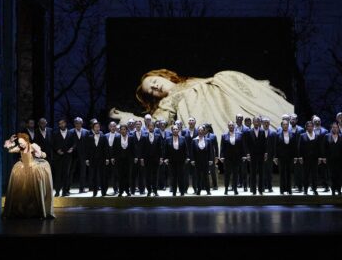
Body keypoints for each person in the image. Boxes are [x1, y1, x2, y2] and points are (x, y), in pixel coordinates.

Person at [114, 69, 293, 143]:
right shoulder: (167, 101)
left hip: (234, 101)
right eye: (151, 91)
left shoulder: (195, 81)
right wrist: (129, 118)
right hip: (215, 118)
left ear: (163, 75)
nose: (155, 87)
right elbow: (157, 123)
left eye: (154, 81)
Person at [2, 133, 55, 219]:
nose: (20, 145)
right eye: (19, 143)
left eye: (22, 143)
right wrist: (10, 141)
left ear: (26, 141)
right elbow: (10, 150)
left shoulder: (33, 146)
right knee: (22, 191)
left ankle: (37, 211)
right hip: (23, 169)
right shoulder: (19, 148)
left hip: (33, 169)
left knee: (33, 190)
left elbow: (44, 155)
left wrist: (39, 154)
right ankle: (22, 210)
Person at [220, 121, 244, 195]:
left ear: (234, 126)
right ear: (228, 126)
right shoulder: (224, 135)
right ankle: (226, 189)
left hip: (236, 158)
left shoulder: (240, 134)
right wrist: (221, 156)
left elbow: (242, 146)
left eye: (232, 125)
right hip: (227, 158)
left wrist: (243, 155)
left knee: (235, 174)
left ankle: (235, 189)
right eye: (229, 125)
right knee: (227, 174)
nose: (231, 126)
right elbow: (222, 147)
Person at [52, 118, 74, 197]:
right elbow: (53, 144)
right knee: (58, 175)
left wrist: (72, 148)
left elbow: (74, 143)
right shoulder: (55, 133)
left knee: (66, 174)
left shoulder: (71, 133)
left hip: (68, 157)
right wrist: (57, 150)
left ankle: (65, 191)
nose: (61, 125)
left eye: (63, 123)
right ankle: (57, 191)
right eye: (60, 124)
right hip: (58, 157)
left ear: (65, 123)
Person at [164, 125, 188, 196]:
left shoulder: (183, 138)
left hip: (181, 161)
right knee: (173, 177)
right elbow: (165, 150)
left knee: (181, 177)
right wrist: (165, 158)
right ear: (172, 131)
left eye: (176, 129)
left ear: (178, 130)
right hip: (171, 161)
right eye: (174, 129)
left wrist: (186, 158)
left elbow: (185, 150)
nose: (175, 130)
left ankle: (182, 192)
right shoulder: (168, 139)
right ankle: (174, 192)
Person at [113, 124, 136, 196]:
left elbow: (133, 148)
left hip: (128, 160)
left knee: (128, 175)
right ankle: (120, 191)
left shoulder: (131, 138)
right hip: (119, 160)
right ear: (120, 130)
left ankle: (127, 191)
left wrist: (135, 157)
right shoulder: (117, 138)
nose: (123, 131)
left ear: (127, 130)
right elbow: (114, 149)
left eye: (124, 129)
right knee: (120, 176)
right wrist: (113, 157)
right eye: (121, 129)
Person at [274, 119, 297, 194]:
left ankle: (289, 189)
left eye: (286, 124)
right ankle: (282, 190)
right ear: (281, 126)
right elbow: (276, 146)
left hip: (290, 157)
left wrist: (295, 156)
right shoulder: (278, 134)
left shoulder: (292, 134)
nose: (285, 126)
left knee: (289, 173)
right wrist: (275, 157)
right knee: (282, 173)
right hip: (281, 157)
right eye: (284, 124)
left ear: (288, 125)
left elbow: (294, 146)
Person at [298, 120, 320, 195]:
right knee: (306, 175)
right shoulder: (302, 135)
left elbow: (319, 147)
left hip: (314, 158)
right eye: (308, 126)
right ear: (306, 127)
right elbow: (300, 147)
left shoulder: (317, 136)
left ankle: (314, 189)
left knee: (314, 175)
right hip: (306, 158)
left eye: (311, 126)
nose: (310, 127)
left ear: (313, 127)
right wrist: (300, 157)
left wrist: (319, 157)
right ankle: (305, 190)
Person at [190, 126, 214, 195]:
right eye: (199, 130)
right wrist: (192, 160)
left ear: (204, 131)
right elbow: (192, 151)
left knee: (206, 176)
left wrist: (210, 159)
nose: (200, 131)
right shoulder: (194, 140)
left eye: (201, 130)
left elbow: (210, 151)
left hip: (205, 161)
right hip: (197, 161)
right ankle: (199, 190)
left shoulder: (208, 140)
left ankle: (208, 190)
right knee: (198, 177)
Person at [142, 122, 163, 196]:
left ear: (154, 127)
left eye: (152, 126)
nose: (151, 127)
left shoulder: (158, 136)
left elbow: (160, 148)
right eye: (149, 126)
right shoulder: (144, 136)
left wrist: (161, 158)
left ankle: (155, 191)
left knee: (155, 176)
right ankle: (149, 191)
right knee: (147, 176)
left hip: (155, 159)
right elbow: (142, 148)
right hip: (147, 159)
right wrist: (142, 159)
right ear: (148, 127)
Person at [84, 122, 106, 197]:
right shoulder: (90, 137)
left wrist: (107, 158)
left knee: (102, 176)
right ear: (93, 128)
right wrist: (87, 159)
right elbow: (87, 149)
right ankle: (95, 192)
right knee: (94, 176)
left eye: (98, 127)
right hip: (93, 159)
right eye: (96, 127)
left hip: (102, 159)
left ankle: (103, 192)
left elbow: (105, 148)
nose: (97, 128)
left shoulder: (103, 137)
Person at [70, 117, 90, 193]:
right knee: (71, 172)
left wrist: (87, 156)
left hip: (83, 155)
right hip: (73, 156)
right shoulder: (70, 132)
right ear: (74, 124)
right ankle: (67, 188)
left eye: (80, 123)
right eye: (76, 123)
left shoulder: (86, 132)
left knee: (83, 172)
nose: (78, 124)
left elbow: (88, 145)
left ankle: (82, 188)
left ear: (82, 123)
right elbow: (69, 143)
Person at [324, 122, 342, 195]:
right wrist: (325, 157)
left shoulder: (341, 136)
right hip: (330, 159)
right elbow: (324, 148)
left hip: (339, 159)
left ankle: (339, 190)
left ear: (338, 128)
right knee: (332, 175)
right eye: (333, 127)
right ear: (331, 128)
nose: (335, 129)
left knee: (339, 175)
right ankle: (333, 190)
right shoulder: (327, 136)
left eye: (336, 127)